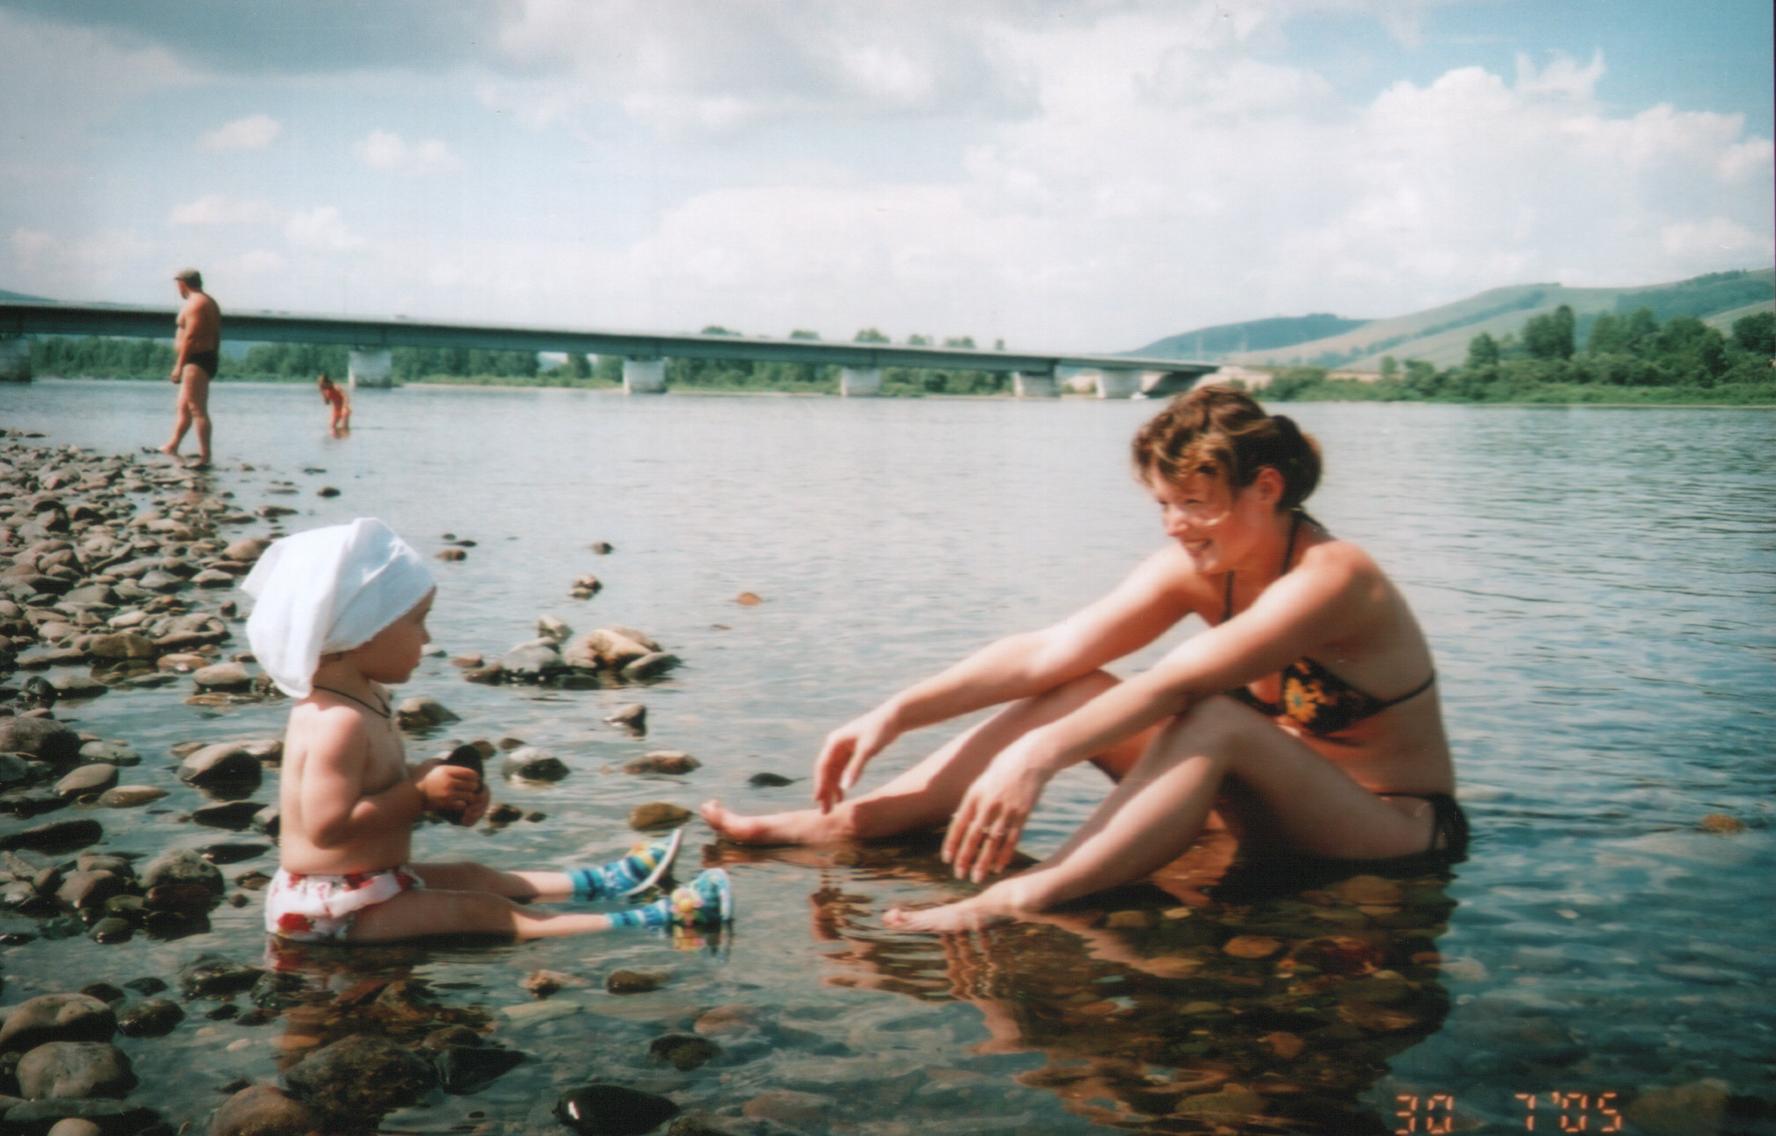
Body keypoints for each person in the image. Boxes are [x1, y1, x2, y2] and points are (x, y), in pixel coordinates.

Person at [702, 385, 1464, 932]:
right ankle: (853, 825)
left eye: (1193, 504)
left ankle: (1032, 894)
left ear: (1265, 487)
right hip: (1257, 817)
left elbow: (1180, 682)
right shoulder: (1199, 565)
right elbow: (1048, 653)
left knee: (1212, 717)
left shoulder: (1334, 578)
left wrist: (1035, 759)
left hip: (1389, 830)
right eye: (1162, 504)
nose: (1174, 526)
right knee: (1078, 686)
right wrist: (896, 712)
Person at [242, 517, 734, 942]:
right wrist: (417, 796)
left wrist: (437, 785)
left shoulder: (364, 699)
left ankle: (598, 882)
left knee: (473, 876)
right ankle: (659, 918)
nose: (428, 636)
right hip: (323, 908)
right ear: (360, 627)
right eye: (417, 621)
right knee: (485, 912)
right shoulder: (338, 722)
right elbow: (329, 828)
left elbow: (374, 784)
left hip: (366, 883)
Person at [161, 267, 221, 468]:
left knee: (197, 409)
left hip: (196, 360)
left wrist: (179, 366)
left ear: (183, 283)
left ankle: (206, 456)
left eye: (177, 283)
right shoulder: (209, 302)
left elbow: (191, 336)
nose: (177, 287)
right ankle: (172, 445)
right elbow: (216, 335)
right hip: (203, 358)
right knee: (184, 407)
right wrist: (215, 357)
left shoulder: (196, 304)